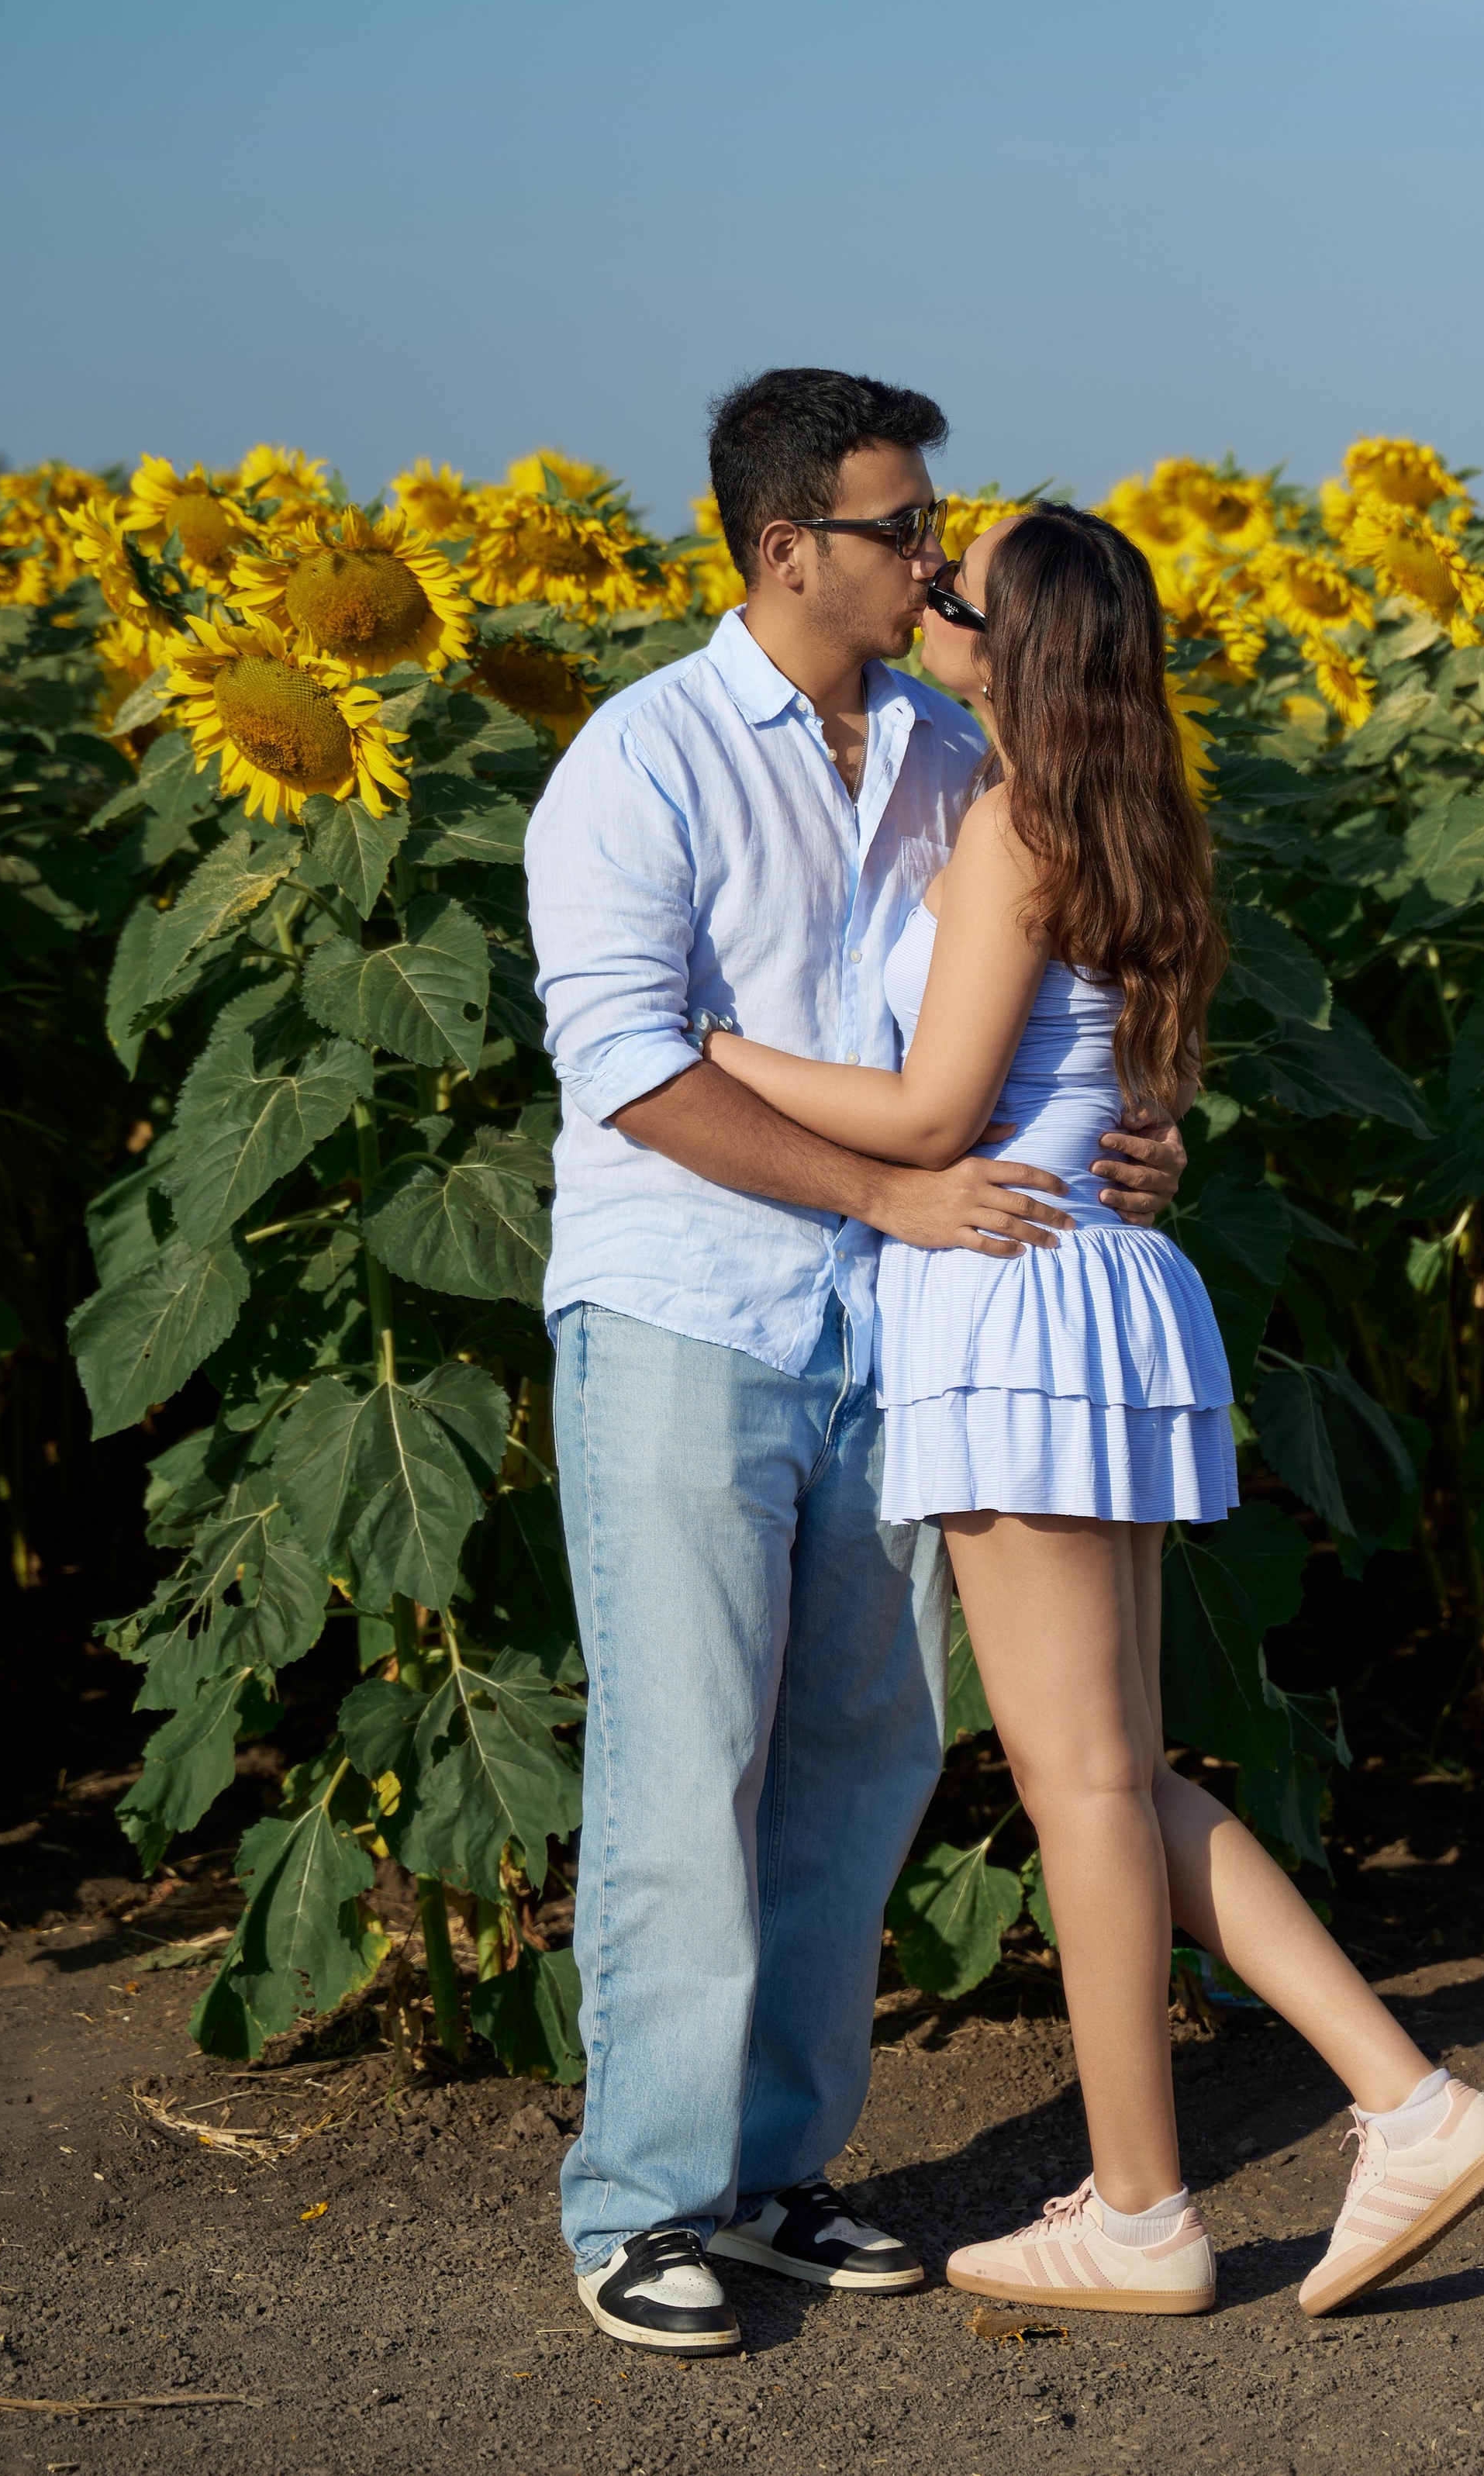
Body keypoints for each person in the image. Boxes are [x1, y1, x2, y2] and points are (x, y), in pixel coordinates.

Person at [705, 501, 1484, 2321]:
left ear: (1012, 645)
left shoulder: (1013, 826)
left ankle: (1149, 2206)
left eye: (957, 581)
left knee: (1077, 1780)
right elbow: (1117, 1095)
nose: (927, 584)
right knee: (1122, 1773)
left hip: (1011, 1304)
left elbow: (928, 1121)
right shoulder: (1130, 814)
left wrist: (703, 1050)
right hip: (1104, 1298)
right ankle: (1402, 2099)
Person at [523, 370, 1189, 2357]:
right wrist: (881, 1193)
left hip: (918, 1324)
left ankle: (779, 2163)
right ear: (782, 544)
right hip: (689, 1306)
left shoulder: (943, 742)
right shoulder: (635, 762)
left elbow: (1049, 1019)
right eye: (901, 528)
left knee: (863, 1748)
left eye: (933, 530)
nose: (929, 555)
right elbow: (627, 1065)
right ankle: (644, 2200)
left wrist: (1137, 1133)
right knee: (685, 1752)